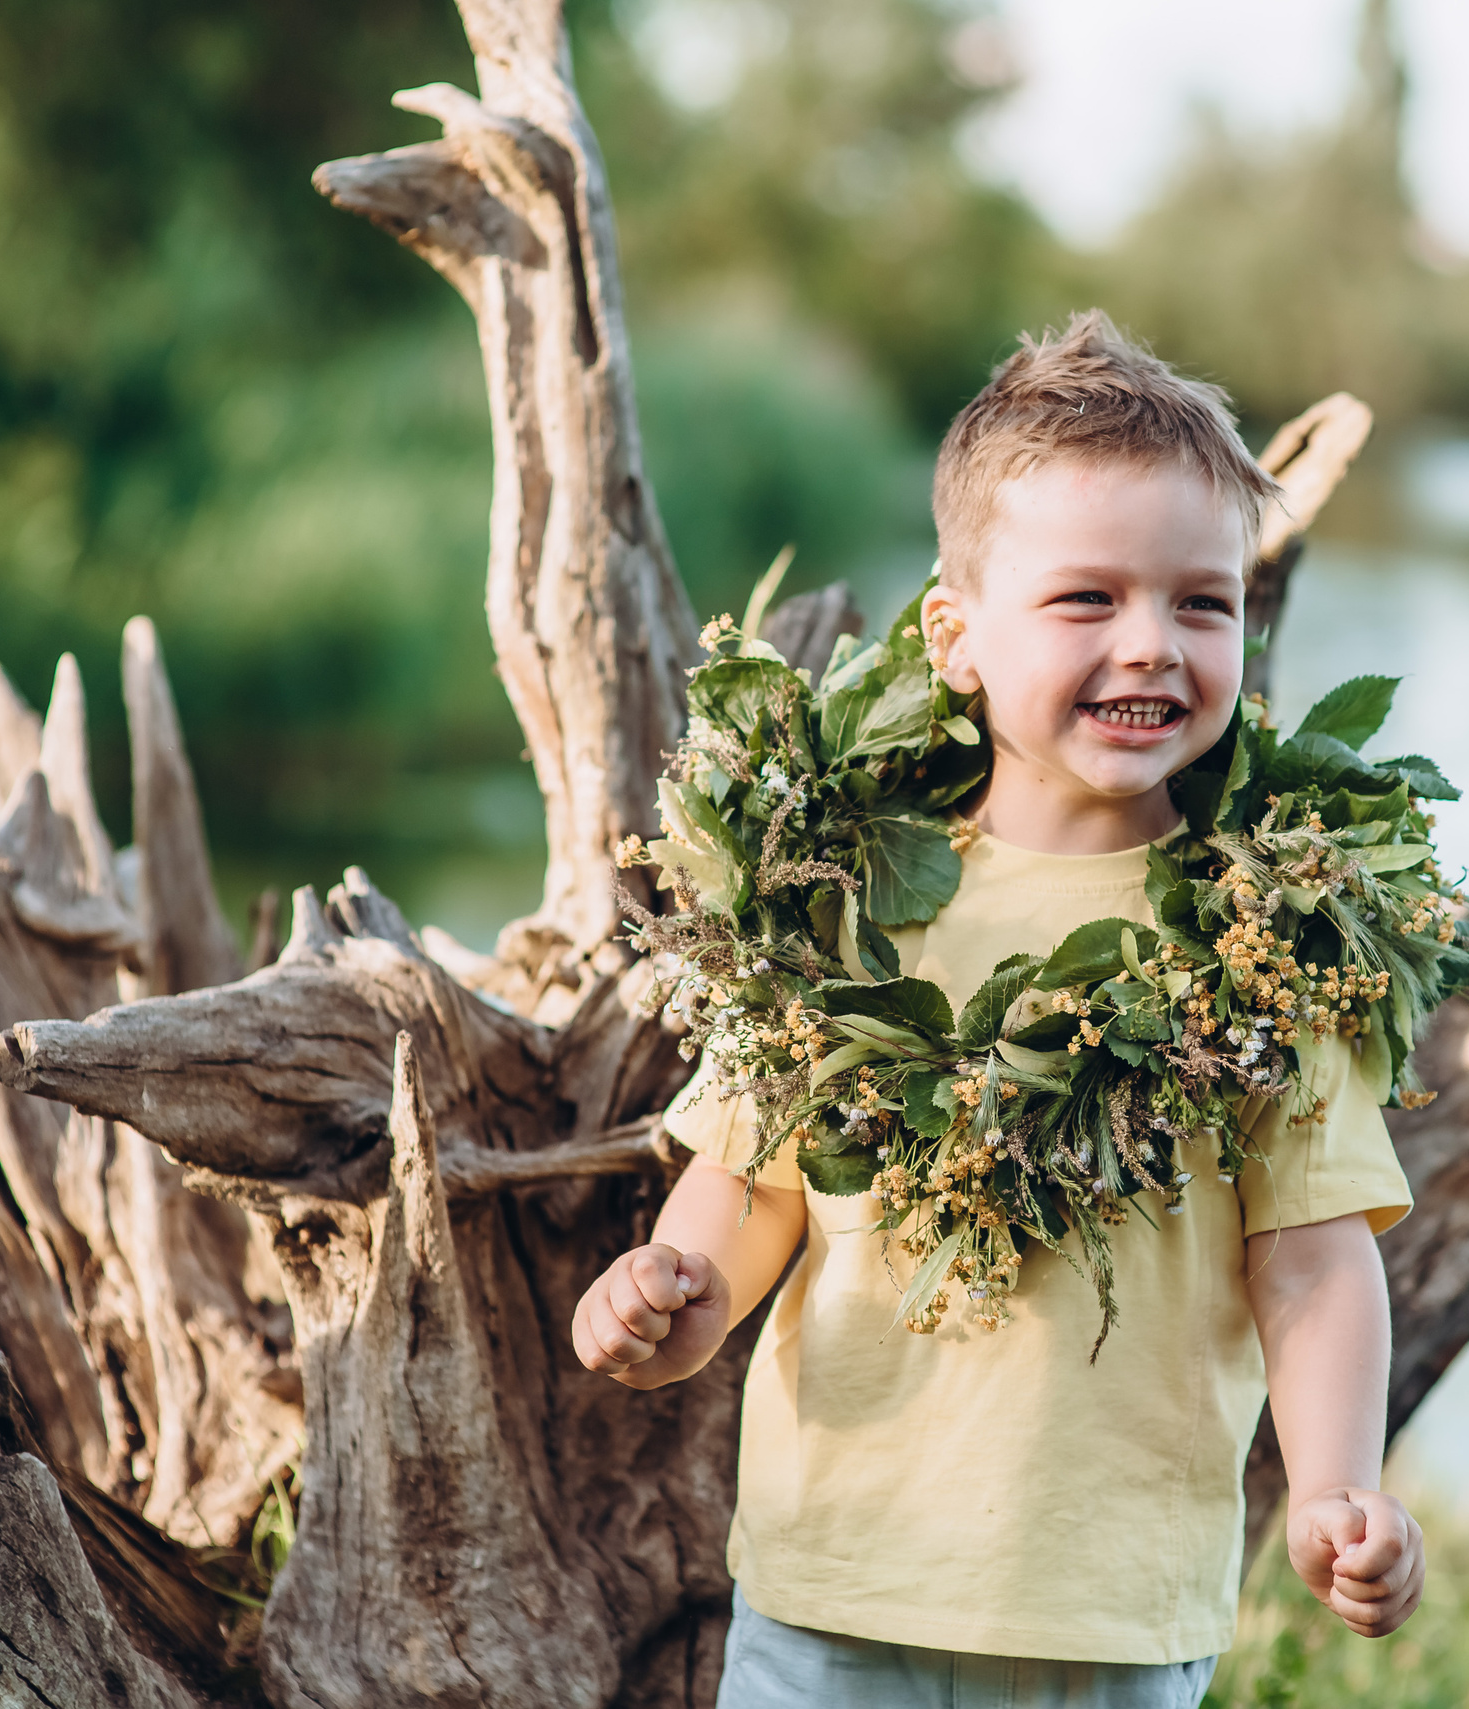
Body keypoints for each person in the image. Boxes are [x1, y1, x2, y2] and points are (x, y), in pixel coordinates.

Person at [571, 310, 1423, 1709]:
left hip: (1113, 1614)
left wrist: (1339, 1484)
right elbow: (754, 1180)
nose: (1151, 645)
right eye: (1088, 600)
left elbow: (1315, 1260)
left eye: (1201, 602)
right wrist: (683, 1295)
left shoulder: (1267, 927)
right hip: (838, 1585)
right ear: (955, 637)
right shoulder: (841, 896)